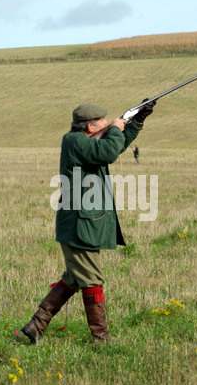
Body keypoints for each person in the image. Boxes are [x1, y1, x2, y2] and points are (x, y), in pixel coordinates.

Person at [21, 99, 156, 344]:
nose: (107, 123)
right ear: (90, 128)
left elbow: (117, 145)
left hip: (83, 223)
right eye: (102, 122)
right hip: (79, 225)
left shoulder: (83, 140)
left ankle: (36, 326)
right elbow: (108, 151)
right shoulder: (75, 141)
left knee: (75, 277)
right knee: (92, 280)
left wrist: (137, 120)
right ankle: (100, 339)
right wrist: (116, 127)